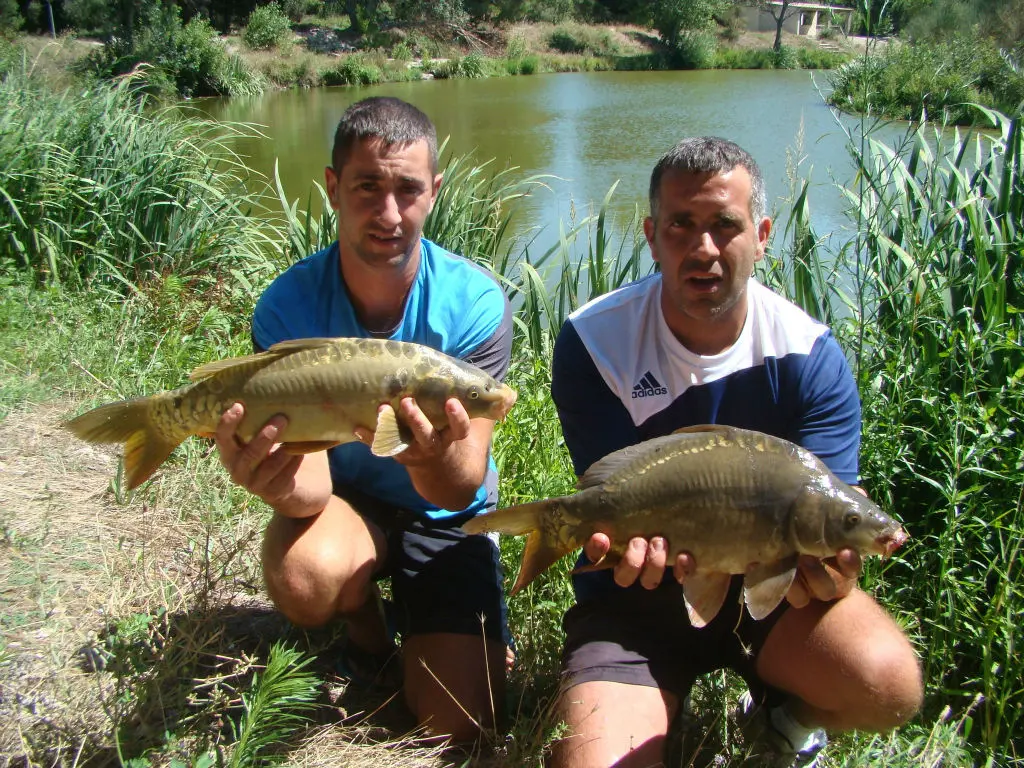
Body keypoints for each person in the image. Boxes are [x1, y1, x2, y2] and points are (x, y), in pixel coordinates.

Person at [548, 137, 923, 768]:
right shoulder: (596, 341)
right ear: (651, 234)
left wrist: (834, 566)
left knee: (889, 686)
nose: (704, 250)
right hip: (635, 599)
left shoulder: (808, 355)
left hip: (772, 603)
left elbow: (835, 501)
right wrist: (611, 544)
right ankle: (642, 693)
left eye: (726, 226)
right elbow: (613, 494)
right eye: (681, 226)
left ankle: (783, 715)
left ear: (763, 234)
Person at [212, 97, 513, 742]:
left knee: (458, 727)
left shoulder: (473, 305)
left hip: (448, 516)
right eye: (366, 186)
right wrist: (270, 476)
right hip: (349, 503)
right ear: (332, 187)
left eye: (407, 189)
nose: (388, 213)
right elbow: (312, 488)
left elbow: (458, 487)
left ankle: (435, 620)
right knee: (303, 575)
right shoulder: (289, 303)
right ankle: (367, 629)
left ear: (434, 192)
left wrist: (432, 455)